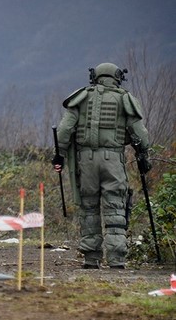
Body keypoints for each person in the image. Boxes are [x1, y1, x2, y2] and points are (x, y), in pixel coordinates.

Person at [52, 62, 150, 269]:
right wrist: (143, 155)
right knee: (115, 207)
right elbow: (141, 136)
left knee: (89, 208)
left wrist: (59, 156)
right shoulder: (124, 99)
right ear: (116, 77)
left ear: (94, 77)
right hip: (113, 160)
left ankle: (91, 258)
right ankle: (116, 260)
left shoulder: (81, 98)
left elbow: (63, 131)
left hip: (85, 161)